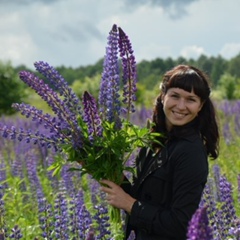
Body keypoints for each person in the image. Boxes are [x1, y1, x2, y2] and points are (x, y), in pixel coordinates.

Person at [100, 64, 219, 240]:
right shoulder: (153, 141)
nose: (181, 106)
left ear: (200, 106)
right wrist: (102, 166)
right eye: (175, 96)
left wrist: (128, 204)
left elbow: (181, 224)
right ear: (163, 96)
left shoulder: (190, 152)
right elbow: (143, 198)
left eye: (191, 99)